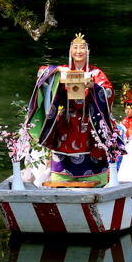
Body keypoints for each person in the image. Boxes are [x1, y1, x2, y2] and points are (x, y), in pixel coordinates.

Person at [26, 33, 120, 187]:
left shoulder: (96, 73)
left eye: (82, 48)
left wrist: (94, 87)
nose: (78, 51)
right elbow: (41, 73)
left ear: (88, 51)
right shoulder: (63, 70)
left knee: (91, 147)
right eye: (75, 48)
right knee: (63, 149)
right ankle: (62, 178)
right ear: (70, 51)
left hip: (88, 120)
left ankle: (94, 180)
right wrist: (57, 70)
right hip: (66, 120)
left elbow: (108, 91)